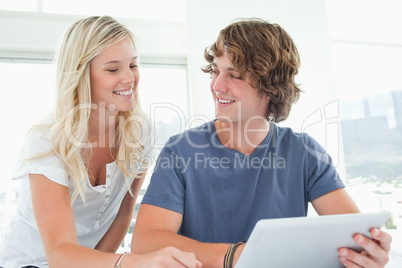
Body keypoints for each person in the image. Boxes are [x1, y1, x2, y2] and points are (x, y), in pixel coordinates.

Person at [131, 18, 392, 268]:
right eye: (216, 71)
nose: (216, 85)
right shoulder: (181, 151)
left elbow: (353, 235)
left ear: (272, 88)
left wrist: (368, 253)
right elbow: (145, 243)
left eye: (233, 75)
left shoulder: (304, 152)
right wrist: (236, 255)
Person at [0, 16, 202, 268]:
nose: (130, 78)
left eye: (133, 65)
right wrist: (135, 262)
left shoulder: (141, 131)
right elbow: (59, 253)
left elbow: (123, 215)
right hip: (29, 263)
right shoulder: (47, 139)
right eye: (113, 69)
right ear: (81, 75)